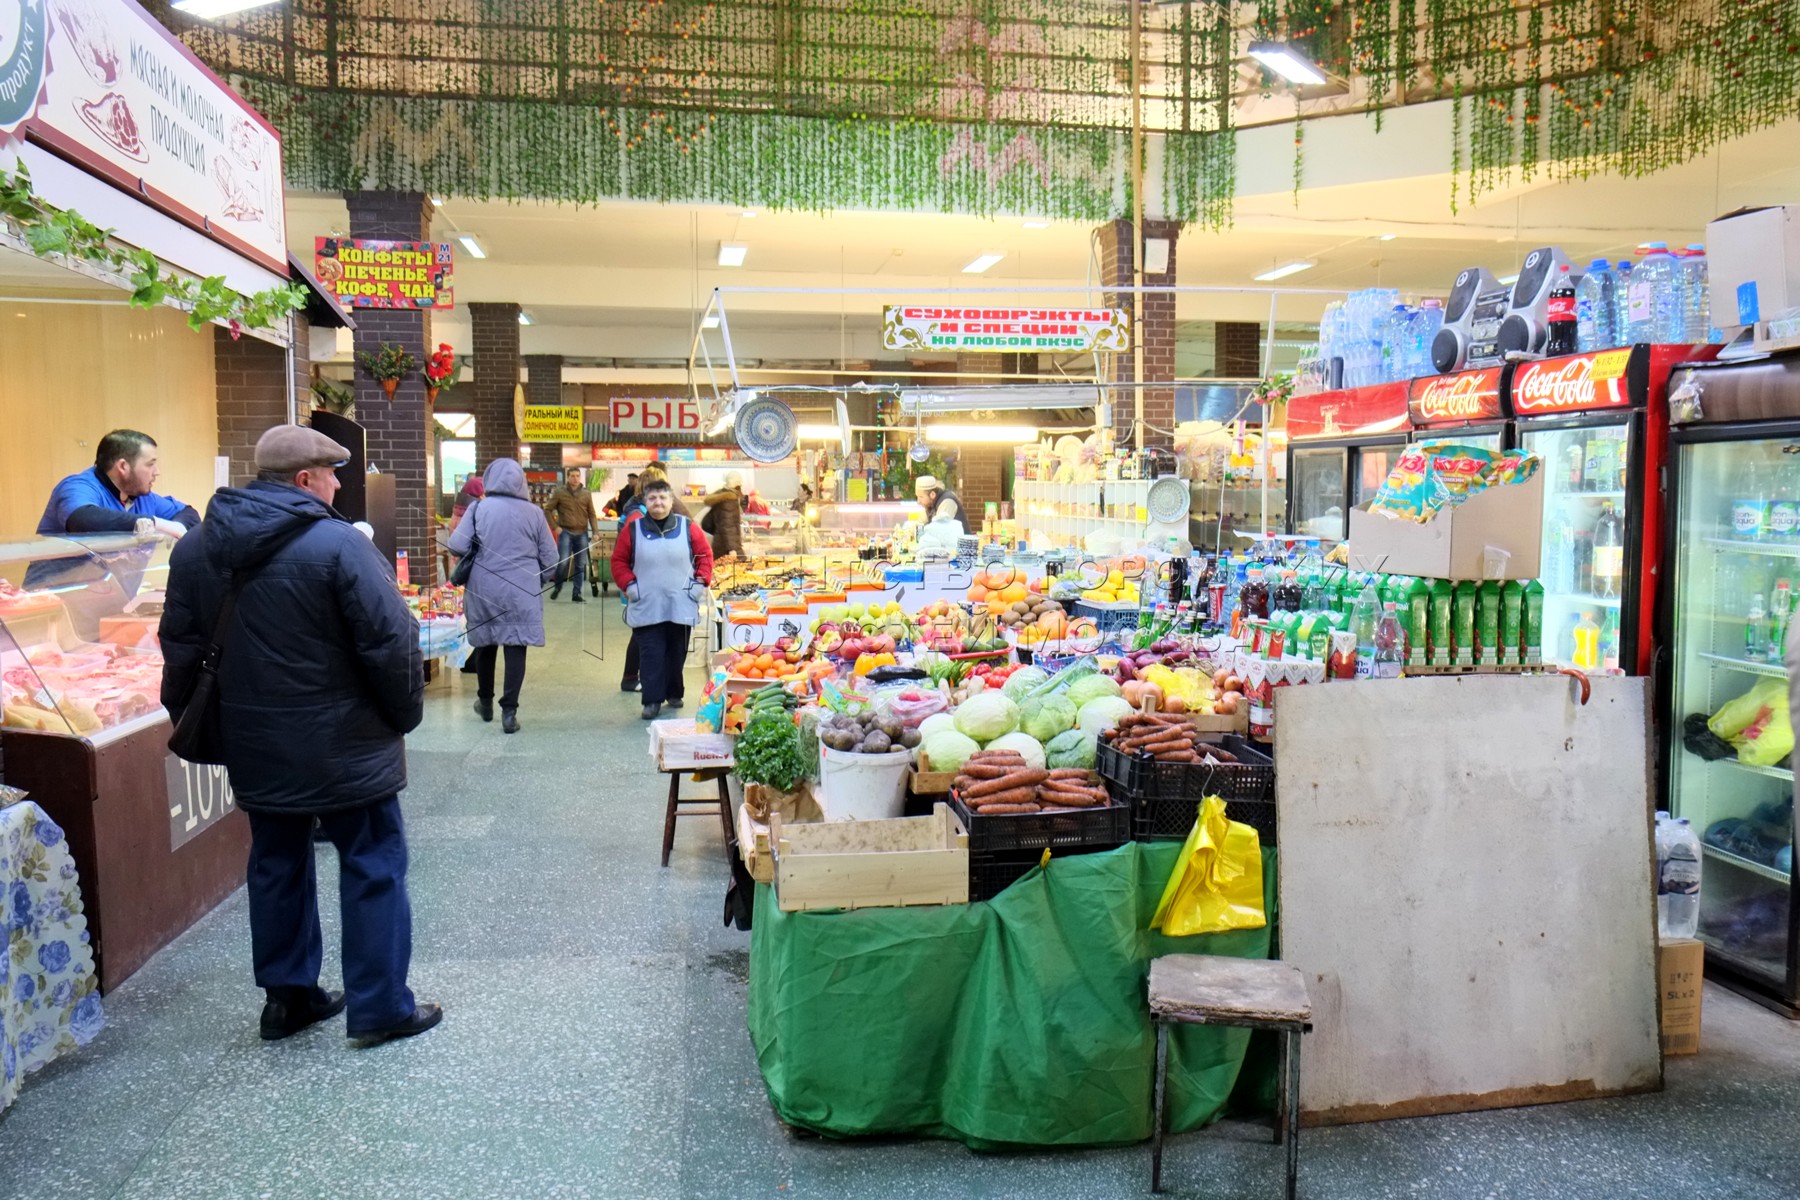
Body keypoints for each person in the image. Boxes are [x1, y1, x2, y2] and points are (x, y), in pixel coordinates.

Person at [159, 425, 439, 1046]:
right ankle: (381, 1006)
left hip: (256, 742)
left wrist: (204, 717)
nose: (339, 484)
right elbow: (391, 641)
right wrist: (402, 716)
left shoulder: (196, 547)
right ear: (306, 479)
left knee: (275, 862)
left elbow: (178, 647)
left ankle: (288, 999)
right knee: (372, 862)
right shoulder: (341, 545)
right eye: (333, 474)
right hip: (348, 744)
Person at [446, 459, 557, 734]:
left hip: (485, 588)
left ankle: (485, 702)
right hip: (523, 590)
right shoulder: (534, 513)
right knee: (516, 646)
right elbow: (552, 560)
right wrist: (536, 576)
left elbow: (456, 545)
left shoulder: (478, 508)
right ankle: (509, 713)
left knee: (486, 643)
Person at [612, 478, 713, 720]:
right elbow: (618, 561)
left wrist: (699, 584)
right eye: (652, 498)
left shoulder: (687, 527)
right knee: (651, 653)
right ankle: (651, 700)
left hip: (681, 603)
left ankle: (674, 692)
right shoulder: (633, 530)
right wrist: (630, 585)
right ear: (645, 502)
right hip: (647, 604)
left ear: (671, 501)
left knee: (677, 652)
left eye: (663, 497)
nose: (658, 502)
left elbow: (705, 555)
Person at [544, 467, 599, 602]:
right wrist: (555, 527)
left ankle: (577, 593)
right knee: (563, 562)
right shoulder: (559, 492)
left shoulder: (586, 494)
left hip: (582, 533)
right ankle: (558, 587)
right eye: (572, 476)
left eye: (577, 476)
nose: (575, 479)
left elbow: (592, 514)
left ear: (580, 477)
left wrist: (596, 532)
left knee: (580, 565)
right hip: (565, 532)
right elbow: (547, 510)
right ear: (567, 477)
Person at [701, 471, 745, 558]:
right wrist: (732, 549)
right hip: (728, 549)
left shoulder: (721, 496)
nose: (740, 483)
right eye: (739, 480)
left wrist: (719, 534)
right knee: (740, 568)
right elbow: (728, 526)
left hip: (720, 545)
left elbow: (707, 524)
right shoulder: (729, 499)